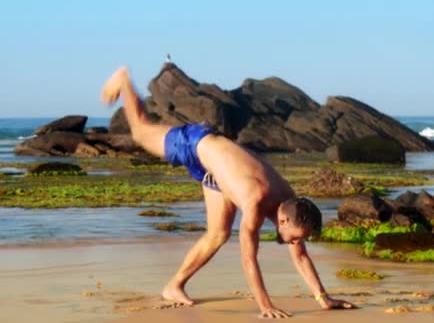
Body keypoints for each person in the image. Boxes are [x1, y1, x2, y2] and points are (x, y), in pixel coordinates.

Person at [100, 66, 356, 318]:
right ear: (284, 220)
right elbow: (248, 260)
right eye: (294, 238)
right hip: (193, 143)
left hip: (217, 172)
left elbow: (300, 258)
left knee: (218, 234)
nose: (294, 243)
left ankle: (173, 287)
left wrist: (323, 297)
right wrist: (265, 306)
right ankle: (123, 80)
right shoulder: (256, 201)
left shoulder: (290, 203)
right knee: (139, 130)